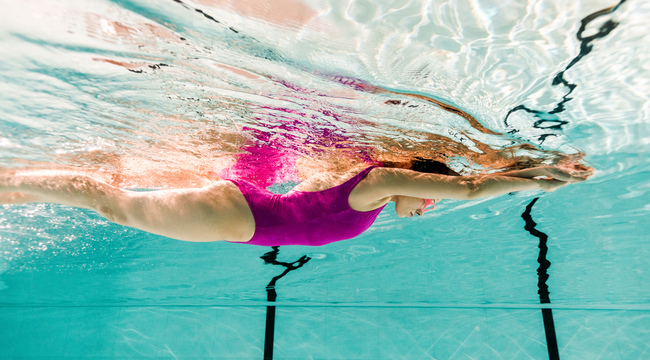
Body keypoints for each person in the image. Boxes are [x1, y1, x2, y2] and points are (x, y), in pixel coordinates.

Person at [0, 162, 592, 246]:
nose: (432, 205)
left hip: (239, 213)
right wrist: (540, 178)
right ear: (421, 182)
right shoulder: (376, 183)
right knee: (116, 205)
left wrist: (525, 173)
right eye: (430, 197)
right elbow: (464, 187)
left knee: (117, 203)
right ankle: (16, 179)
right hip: (237, 217)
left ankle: (22, 184)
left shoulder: (371, 194)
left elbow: (458, 186)